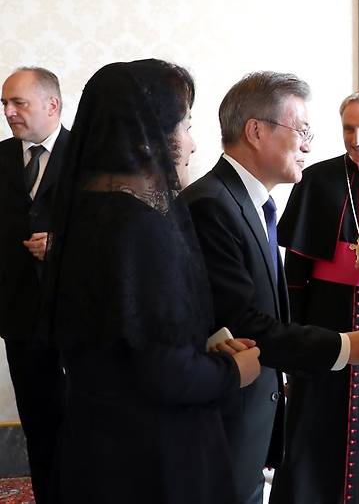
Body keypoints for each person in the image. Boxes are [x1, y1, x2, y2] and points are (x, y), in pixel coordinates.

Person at [45, 59, 260, 504]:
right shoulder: (140, 228)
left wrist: (200, 346)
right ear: (148, 139)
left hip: (97, 447)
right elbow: (163, 374)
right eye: (185, 125)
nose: (193, 144)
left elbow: (128, 343)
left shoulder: (87, 211)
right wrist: (232, 371)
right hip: (153, 460)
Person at [182, 72, 359, 504]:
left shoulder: (250, 203)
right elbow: (244, 324)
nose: (310, 144)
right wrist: (351, 347)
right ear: (256, 131)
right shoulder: (212, 205)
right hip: (223, 419)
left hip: (251, 414)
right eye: (302, 131)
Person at [271, 90, 359, 504]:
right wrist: (290, 343)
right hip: (323, 323)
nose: (356, 138)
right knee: (316, 426)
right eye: (349, 128)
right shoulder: (317, 179)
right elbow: (294, 276)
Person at [0, 67, 68, 504]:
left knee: (86, 425)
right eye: (4, 104)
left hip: (79, 315)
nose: (8, 113)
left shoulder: (90, 155)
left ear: (52, 105)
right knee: (39, 425)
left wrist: (64, 246)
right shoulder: (0, 158)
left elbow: (115, 234)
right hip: (20, 319)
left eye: (17, 103)